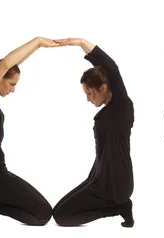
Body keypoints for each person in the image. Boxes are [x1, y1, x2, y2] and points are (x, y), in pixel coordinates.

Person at [0, 37, 57, 226]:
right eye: (12, 84)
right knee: (42, 216)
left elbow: (11, 65)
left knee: (44, 212)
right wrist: (38, 41)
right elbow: (6, 63)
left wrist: (36, 50)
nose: (13, 90)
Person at [50, 38, 135, 228]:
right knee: (58, 211)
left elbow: (111, 67)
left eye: (90, 93)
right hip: (98, 177)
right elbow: (104, 70)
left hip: (114, 183)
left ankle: (119, 208)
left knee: (62, 217)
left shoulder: (121, 106)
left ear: (103, 88)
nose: (88, 99)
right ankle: (119, 206)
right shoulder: (109, 109)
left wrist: (80, 42)